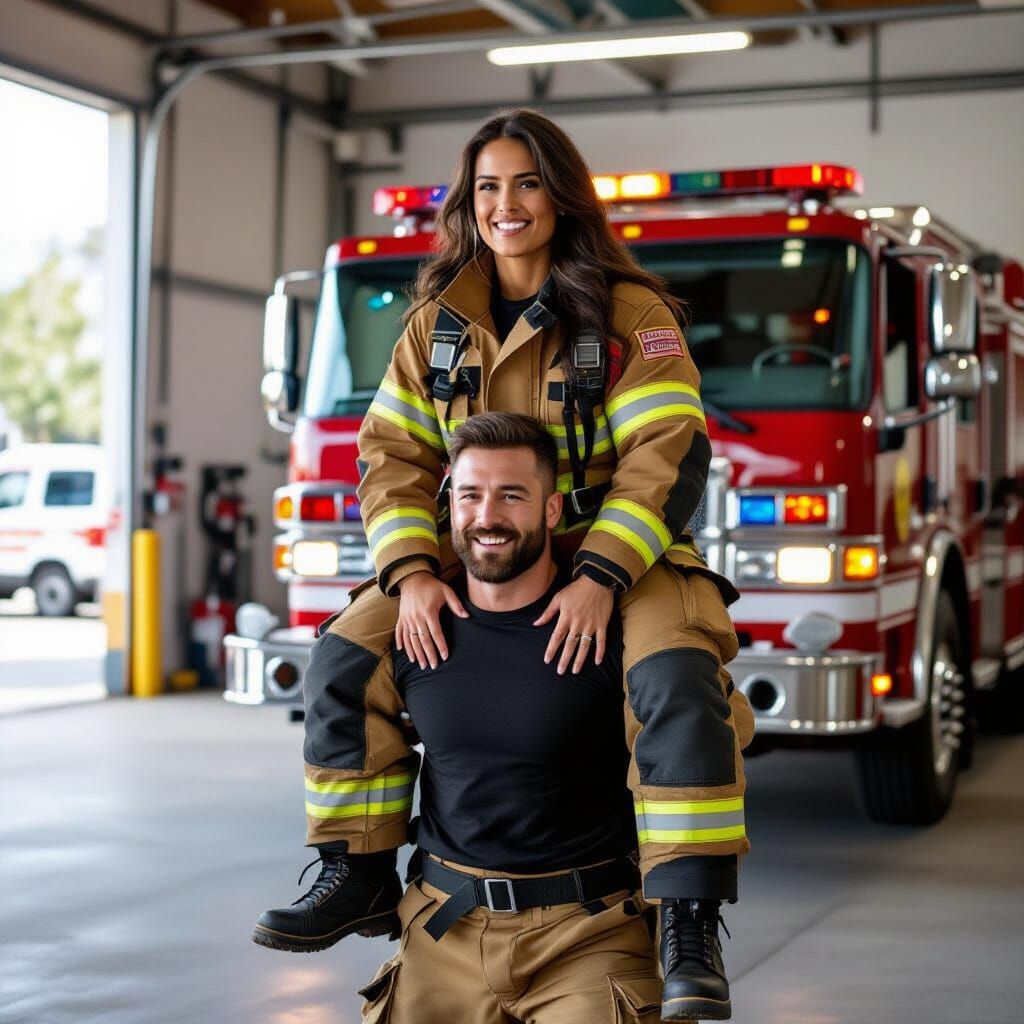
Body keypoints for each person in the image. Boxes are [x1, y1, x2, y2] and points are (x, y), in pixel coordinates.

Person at [254, 108, 754, 1022]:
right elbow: (392, 457)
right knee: (343, 656)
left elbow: (667, 451)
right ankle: (359, 867)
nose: (506, 204)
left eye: (526, 183)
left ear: (560, 197)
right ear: (469, 202)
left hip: (623, 553)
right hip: (475, 544)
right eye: (488, 186)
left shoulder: (631, 314)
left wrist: (600, 576)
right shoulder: (437, 324)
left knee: (677, 678)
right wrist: (409, 574)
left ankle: (687, 915)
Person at [360, 413, 662, 1021]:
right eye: (470, 495)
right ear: (449, 503)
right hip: (443, 926)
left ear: (552, 511)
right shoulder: (413, 631)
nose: (487, 516)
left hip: (589, 936)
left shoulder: (616, 631)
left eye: (512, 495)